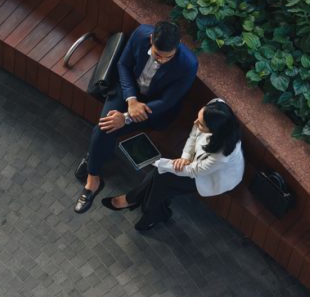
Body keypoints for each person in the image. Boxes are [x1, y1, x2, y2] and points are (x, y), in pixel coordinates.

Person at [73, 21, 198, 214]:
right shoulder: (141, 34)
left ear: (178, 45)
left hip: (154, 107)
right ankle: (93, 178)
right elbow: (123, 64)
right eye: (157, 55)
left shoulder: (188, 64)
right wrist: (130, 100)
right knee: (104, 127)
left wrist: (125, 117)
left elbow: (167, 101)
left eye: (168, 57)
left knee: (105, 129)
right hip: (127, 91)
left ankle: (93, 161)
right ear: (151, 40)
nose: (161, 61)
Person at [101, 98, 244, 231]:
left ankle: (134, 200)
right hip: (194, 164)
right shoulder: (215, 105)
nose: (195, 123)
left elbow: (195, 171)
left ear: (214, 131)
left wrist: (161, 164)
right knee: (161, 179)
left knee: (161, 177)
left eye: (201, 124)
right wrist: (185, 157)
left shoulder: (222, 154)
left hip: (209, 177)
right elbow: (193, 135)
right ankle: (149, 211)